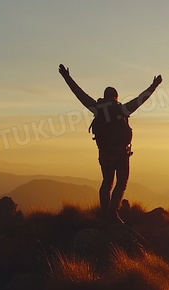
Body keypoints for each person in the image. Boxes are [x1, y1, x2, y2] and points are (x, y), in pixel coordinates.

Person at [58, 64, 162, 223]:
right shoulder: (122, 110)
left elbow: (80, 94)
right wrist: (153, 86)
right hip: (121, 154)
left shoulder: (97, 109)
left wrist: (67, 77)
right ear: (116, 97)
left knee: (107, 182)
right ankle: (112, 213)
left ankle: (105, 213)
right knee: (121, 183)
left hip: (104, 154)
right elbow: (140, 100)